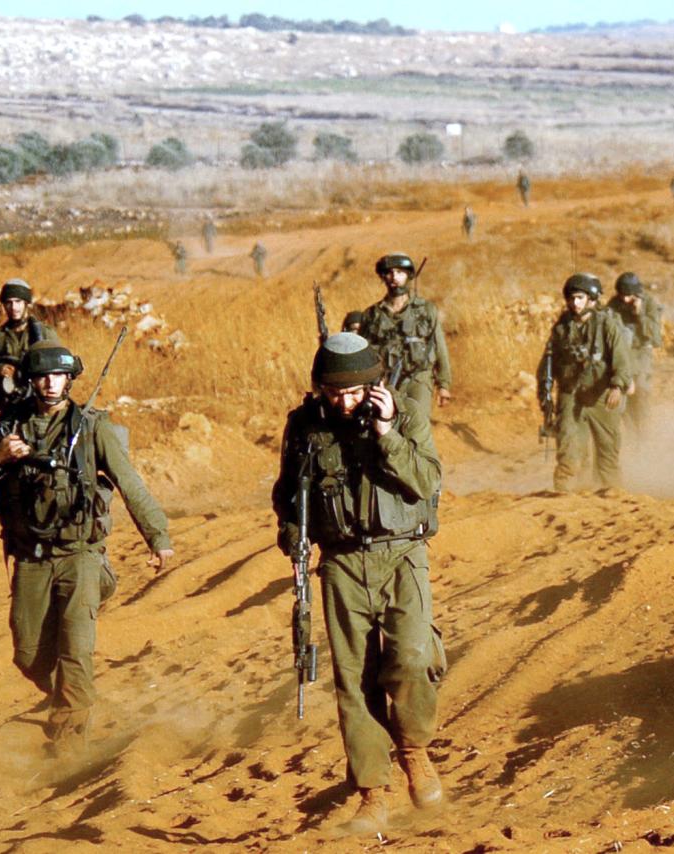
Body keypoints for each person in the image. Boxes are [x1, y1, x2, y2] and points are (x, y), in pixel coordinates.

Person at [0, 341, 172, 754]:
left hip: (80, 554)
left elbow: (130, 483)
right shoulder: (10, 426)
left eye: (58, 375)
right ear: (31, 380)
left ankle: (69, 745)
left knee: (76, 649)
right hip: (31, 557)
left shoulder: (91, 427)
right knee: (28, 652)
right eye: (42, 375)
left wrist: (158, 536)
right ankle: (72, 696)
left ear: (70, 378)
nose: (50, 382)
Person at [272, 333, 445, 832]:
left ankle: (413, 750)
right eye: (333, 391)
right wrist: (293, 538)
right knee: (354, 680)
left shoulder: (407, 413)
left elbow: (427, 481)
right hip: (342, 562)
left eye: (353, 392)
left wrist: (388, 431)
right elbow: (287, 496)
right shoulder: (304, 426)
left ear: (374, 386)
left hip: (402, 555)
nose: (343, 401)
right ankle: (373, 791)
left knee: (412, 658)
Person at [537, 274, 632, 491]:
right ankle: (565, 494)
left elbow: (621, 358)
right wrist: (545, 393)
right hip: (571, 395)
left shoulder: (607, 324)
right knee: (569, 451)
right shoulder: (561, 328)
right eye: (571, 298)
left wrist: (617, 385)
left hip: (601, 396)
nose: (574, 303)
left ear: (592, 299)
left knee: (607, 454)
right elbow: (547, 364)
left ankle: (611, 497)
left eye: (579, 298)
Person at [358, 254, 453, 420]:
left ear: (409, 276)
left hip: (418, 377)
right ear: (383, 277)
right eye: (390, 273)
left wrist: (443, 385)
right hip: (385, 380)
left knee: (418, 424)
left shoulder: (426, 310)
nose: (395, 277)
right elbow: (362, 353)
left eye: (400, 272)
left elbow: (439, 347)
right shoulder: (372, 315)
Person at [0, 279, 56, 410]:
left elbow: (60, 367)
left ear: (26, 303)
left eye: (18, 302)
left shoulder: (44, 333)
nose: (14, 307)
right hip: (8, 406)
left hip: (39, 404)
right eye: (9, 303)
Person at [606, 272, 663, 437]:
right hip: (621, 352)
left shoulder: (649, 304)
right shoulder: (614, 304)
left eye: (629, 296)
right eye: (622, 295)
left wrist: (640, 314)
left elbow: (656, 338)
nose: (625, 300)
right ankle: (631, 433)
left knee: (640, 392)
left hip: (640, 354)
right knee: (622, 394)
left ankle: (643, 433)